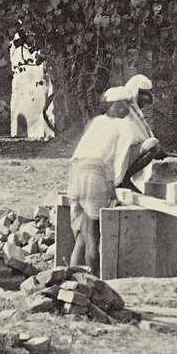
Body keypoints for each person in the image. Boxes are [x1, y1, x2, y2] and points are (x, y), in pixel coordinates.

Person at [64, 85, 136, 272]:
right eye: (127, 105)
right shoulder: (121, 126)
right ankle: (94, 281)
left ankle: (72, 279)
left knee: (82, 234)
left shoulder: (97, 122)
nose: (129, 109)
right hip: (95, 176)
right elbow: (117, 160)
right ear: (117, 105)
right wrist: (113, 188)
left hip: (76, 174)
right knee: (93, 238)